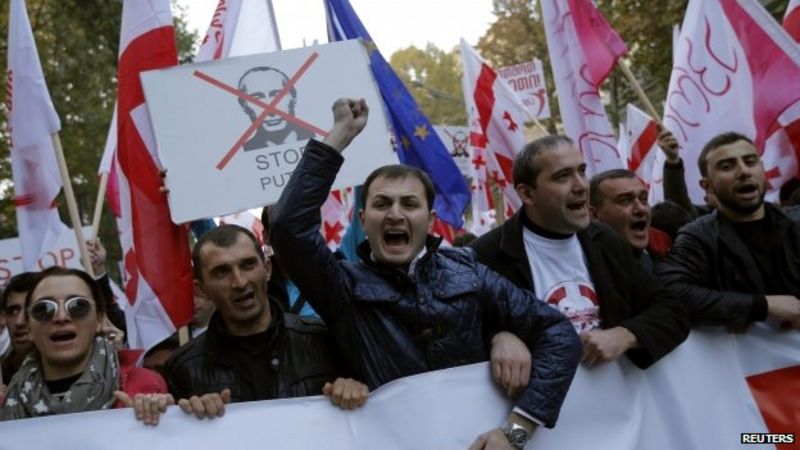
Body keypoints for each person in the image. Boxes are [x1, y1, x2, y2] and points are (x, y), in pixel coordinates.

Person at [271, 98, 582, 450]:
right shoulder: (341, 285)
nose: (395, 214)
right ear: (362, 220)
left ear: (430, 221)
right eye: (382, 203)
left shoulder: (468, 270)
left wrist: (517, 430)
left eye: (410, 203)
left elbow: (558, 333)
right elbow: (287, 227)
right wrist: (339, 136)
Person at [471, 135, 690, 370]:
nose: (581, 186)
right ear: (527, 194)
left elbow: (672, 310)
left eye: (582, 171)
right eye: (562, 176)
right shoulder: (485, 256)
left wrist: (625, 334)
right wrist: (497, 337)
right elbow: (455, 333)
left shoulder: (605, 241)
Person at [163, 224, 369, 416]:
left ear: (267, 269)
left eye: (248, 265)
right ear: (201, 289)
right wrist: (178, 414)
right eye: (221, 272)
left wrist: (358, 390)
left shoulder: (325, 340)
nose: (240, 282)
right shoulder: (183, 368)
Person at [657, 132, 800, 329]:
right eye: (727, 166)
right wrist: (762, 305)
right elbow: (670, 290)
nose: (743, 172)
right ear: (707, 186)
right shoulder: (698, 238)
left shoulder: (796, 222)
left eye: (750, 162)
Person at [0, 267, 172, 425]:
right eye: (44, 308)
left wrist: (158, 421)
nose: (61, 317)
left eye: (77, 306)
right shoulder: (6, 403)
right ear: (29, 327)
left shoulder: (144, 386)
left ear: (99, 319)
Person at [588, 169, 656, 269]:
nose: (641, 209)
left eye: (644, 199)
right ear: (594, 214)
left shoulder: (656, 261)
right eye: (625, 201)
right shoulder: (587, 272)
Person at [238, 66, 315, 151]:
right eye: (256, 98)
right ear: (244, 106)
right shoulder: (246, 150)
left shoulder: (318, 137)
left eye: (278, 95)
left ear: (293, 98)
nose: (270, 109)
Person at [1, 272, 37, 385]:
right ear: (4, 317)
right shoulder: (3, 373)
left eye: (29, 309)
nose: (19, 322)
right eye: (13, 311)